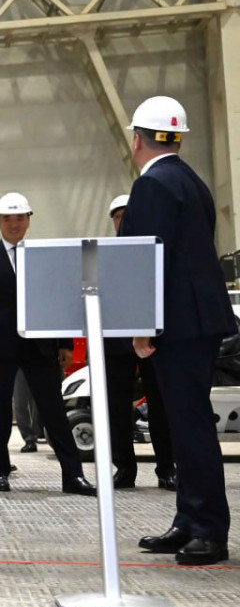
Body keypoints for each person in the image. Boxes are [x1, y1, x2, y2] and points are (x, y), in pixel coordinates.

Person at [119, 95, 234, 566]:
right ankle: (189, 519)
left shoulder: (152, 185)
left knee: (190, 426)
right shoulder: (190, 181)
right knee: (185, 424)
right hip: (196, 321)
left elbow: (146, 259)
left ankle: (208, 528)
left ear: (137, 140)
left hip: (178, 324)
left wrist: (141, 325)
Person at [0, 192, 95, 496]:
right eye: (7, 219)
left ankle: (73, 475)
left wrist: (65, 343)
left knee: (54, 411)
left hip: (40, 346)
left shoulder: (43, 256)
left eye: (20, 218)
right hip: (0, 349)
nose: (14, 224)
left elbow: (58, 299)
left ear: (28, 221)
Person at [102, 193, 176, 490]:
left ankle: (167, 468)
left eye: (127, 214)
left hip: (153, 340)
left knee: (160, 405)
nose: (122, 220)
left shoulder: (153, 251)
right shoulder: (104, 256)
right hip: (115, 342)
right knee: (117, 408)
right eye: (118, 216)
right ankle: (124, 469)